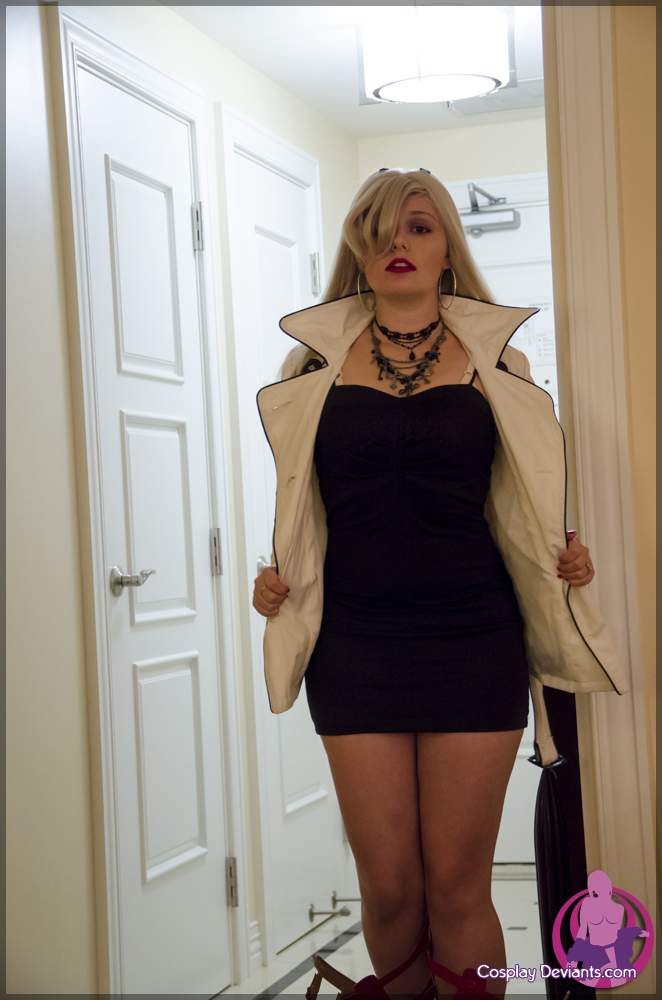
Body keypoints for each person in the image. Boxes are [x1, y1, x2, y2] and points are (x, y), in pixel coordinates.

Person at [252, 168, 601, 999]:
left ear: (448, 247)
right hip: (353, 645)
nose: (396, 245)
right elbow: (302, 508)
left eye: (417, 227)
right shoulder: (309, 363)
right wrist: (274, 577)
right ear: (357, 252)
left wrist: (568, 553)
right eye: (377, 232)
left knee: (456, 883)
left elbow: (528, 497)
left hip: (473, 638)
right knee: (389, 885)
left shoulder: (499, 360)